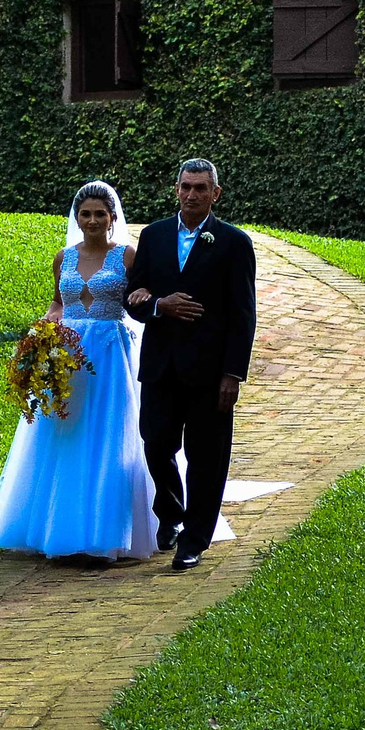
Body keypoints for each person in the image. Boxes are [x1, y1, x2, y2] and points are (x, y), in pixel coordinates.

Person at [0, 181, 157, 562]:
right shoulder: (63, 258)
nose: (92, 221)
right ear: (77, 219)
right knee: (68, 433)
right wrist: (46, 326)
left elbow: (141, 297)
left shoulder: (127, 256)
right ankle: (59, 526)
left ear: (112, 218)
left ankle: (104, 533)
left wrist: (144, 297)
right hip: (68, 355)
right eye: (86, 214)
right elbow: (58, 303)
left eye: (100, 214)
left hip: (110, 354)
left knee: (109, 433)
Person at [125, 158, 257, 570]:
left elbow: (243, 314)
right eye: (186, 186)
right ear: (176, 189)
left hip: (210, 371)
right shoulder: (153, 236)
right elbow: (134, 297)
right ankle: (170, 514)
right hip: (161, 366)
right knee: (155, 443)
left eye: (201, 188)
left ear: (215, 193)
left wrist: (232, 373)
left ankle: (195, 539)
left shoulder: (233, 243)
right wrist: (158, 305)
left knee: (206, 458)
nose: (192, 194)